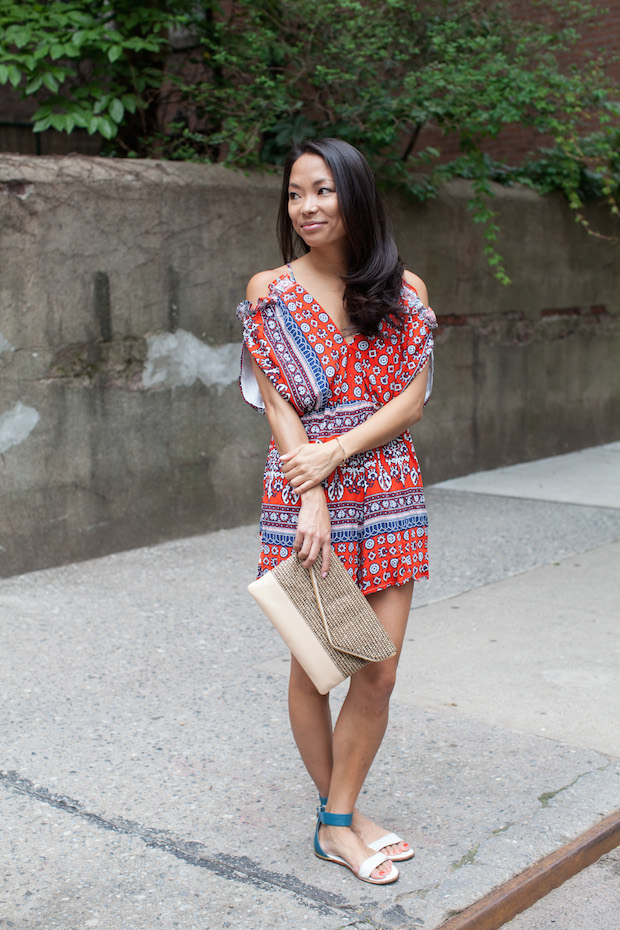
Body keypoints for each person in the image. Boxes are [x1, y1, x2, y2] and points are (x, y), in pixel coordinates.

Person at [236, 138, 436, 885]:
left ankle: (339, 816)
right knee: (320, 663)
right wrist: (312, 487)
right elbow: (279, 403)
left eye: (322, 190)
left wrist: (338, 452)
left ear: (355, 195)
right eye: (295, 194)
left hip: (387, 484)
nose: (308, 207)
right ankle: (338, 821)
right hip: (305, 488)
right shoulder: (269, 289)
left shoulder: (402, 286)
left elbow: (411, 398)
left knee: (378, 672)